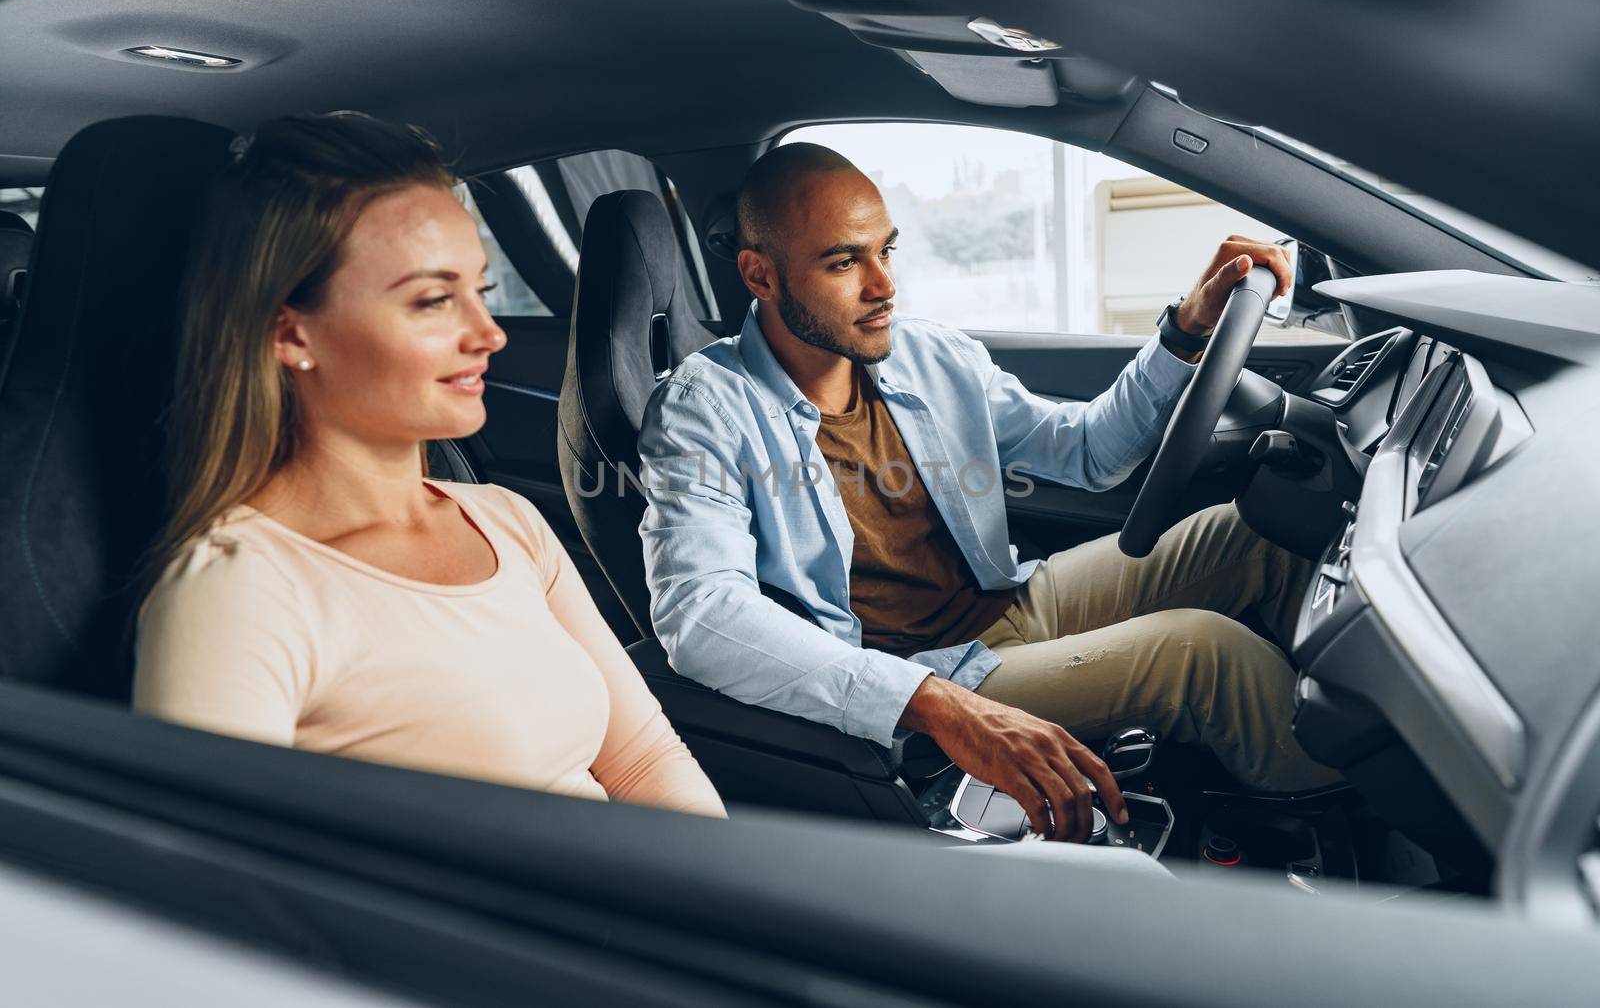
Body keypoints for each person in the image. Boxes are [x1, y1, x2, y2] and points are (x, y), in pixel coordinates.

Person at [637, 142, 1336, 841]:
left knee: (1254, 534)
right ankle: (1369, 819)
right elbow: (700, 615)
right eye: (844, 261)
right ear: (760, 274)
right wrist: (934, 702)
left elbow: (1089, 451)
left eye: (888, 251)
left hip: (1013, 598)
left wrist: (1185, 330)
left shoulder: (927, 354)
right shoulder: (706, 408)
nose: (883, 285)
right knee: (1203, 653)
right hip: (928, 677)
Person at [134, 112, 724, 819]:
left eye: (479, 288)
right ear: (290, 332)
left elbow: (644, 758)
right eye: (433, 299)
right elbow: (216, 896)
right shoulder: (238, 592)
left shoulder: (505, 519)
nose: (489, 333)